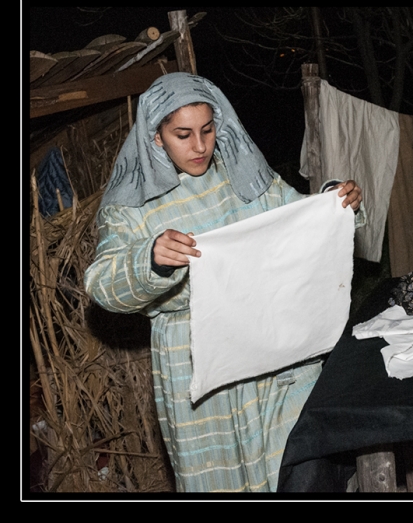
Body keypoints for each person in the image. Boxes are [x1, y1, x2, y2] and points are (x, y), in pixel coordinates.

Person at [84, 72, 363, 492]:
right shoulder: (131, 208)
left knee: (300, 468)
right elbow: (101, 284)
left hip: (276, 352)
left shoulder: (245, 178)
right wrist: (149, 260)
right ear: (155, 137)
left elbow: (297, 219)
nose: (199, 146)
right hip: (196, 366)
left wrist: (334, 201)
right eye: (182, 134)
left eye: (208, 130)